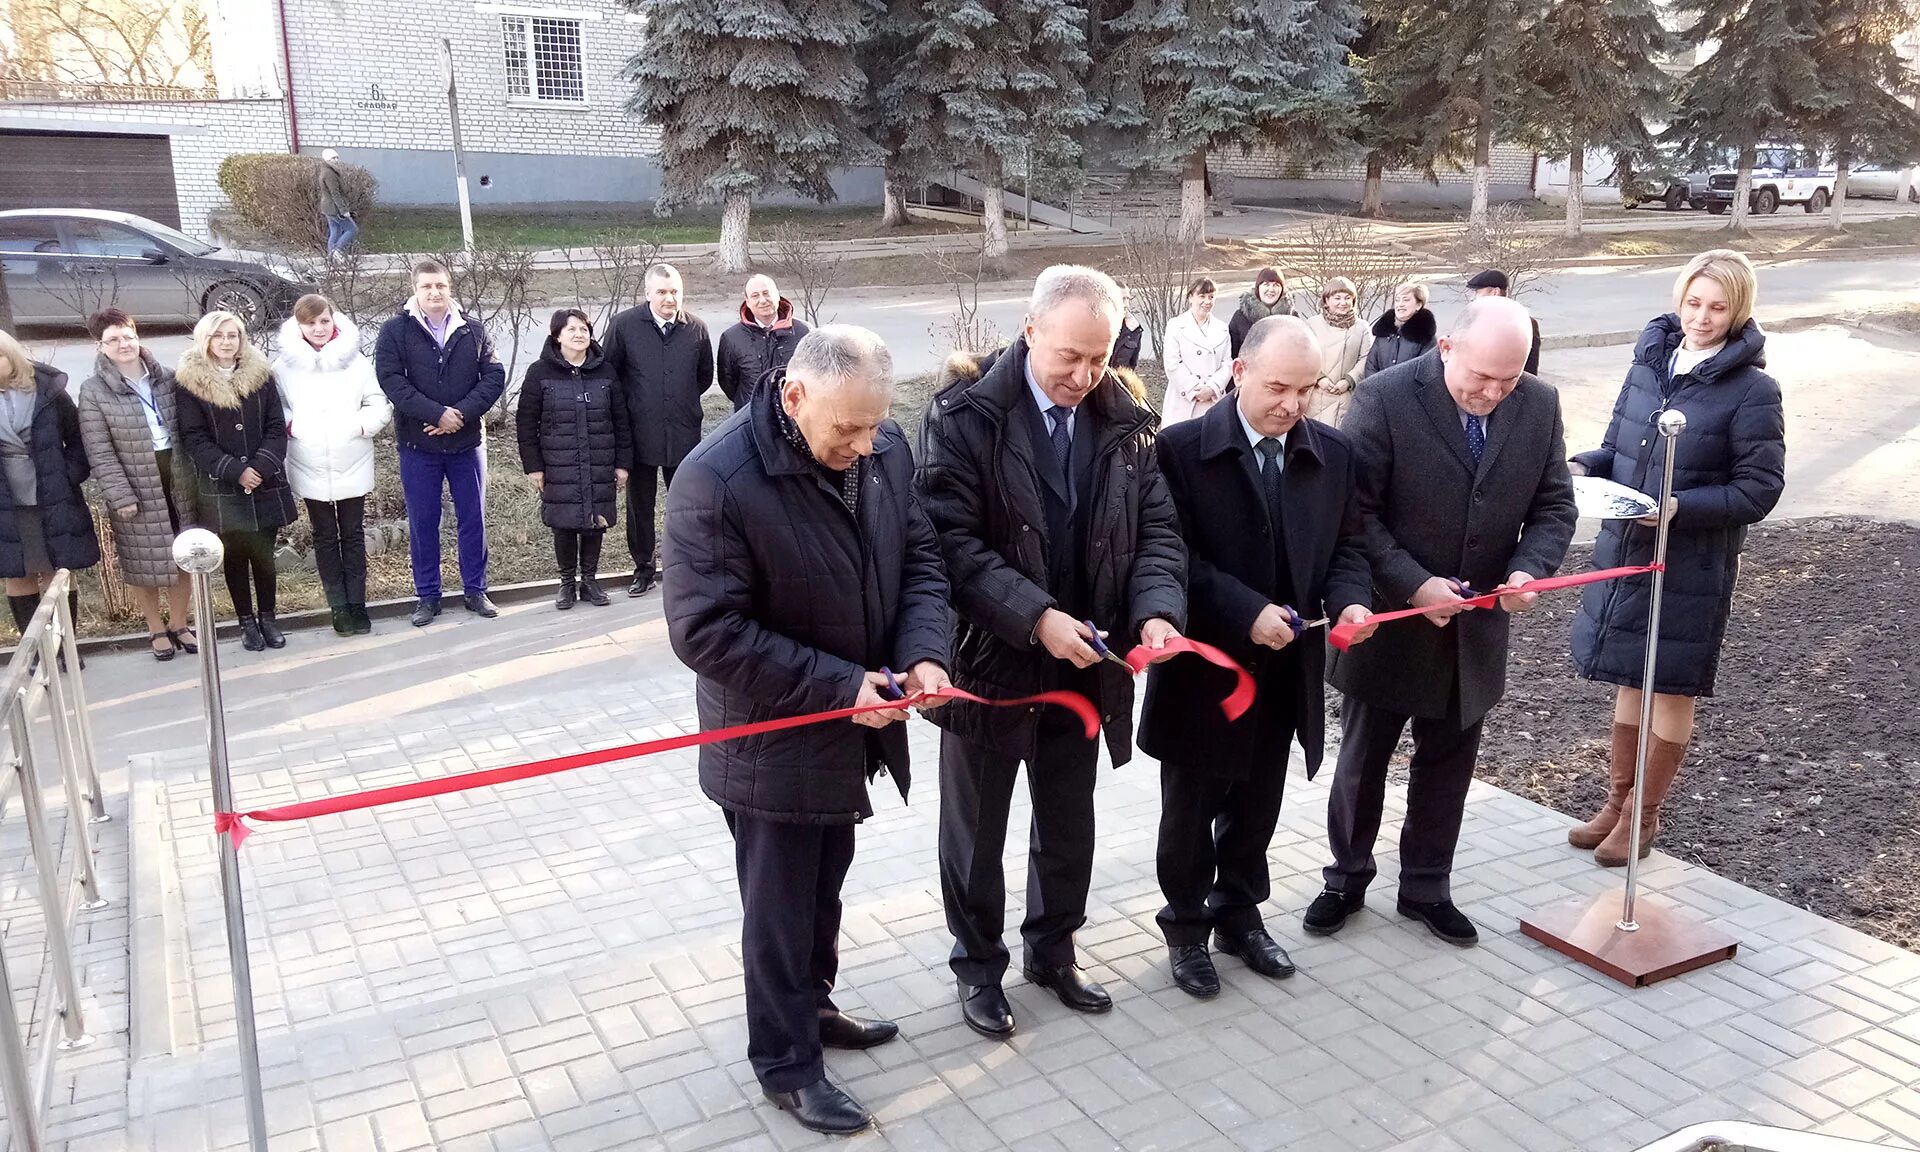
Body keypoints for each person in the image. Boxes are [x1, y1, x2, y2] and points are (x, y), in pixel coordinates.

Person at [664, 326, 951, 1137]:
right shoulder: (715, 480)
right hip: (770, 741)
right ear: (794, 396)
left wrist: (923, 654)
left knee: (824, 888)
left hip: (855, 724)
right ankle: (787, 1064)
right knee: (781, 910)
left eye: (874, 427)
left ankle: (813, 1009)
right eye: (846, 431)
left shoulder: (883, 449)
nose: (863, 447)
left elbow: (920, 560)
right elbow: (704, 632)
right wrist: (838, 684)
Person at [917, 264, 1185, 1039]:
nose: (1083, 374)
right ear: (1030, 330)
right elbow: (951, 545)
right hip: (992, 662)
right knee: (976, 834)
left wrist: (1157, 613)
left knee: (1069, 822)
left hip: (1087, 665)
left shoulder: (1126, 418)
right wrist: (1035, 618)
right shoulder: (965, 415)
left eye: (1099, 356)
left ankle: (1054, 949)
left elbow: (1158, 531)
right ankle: (977, 967)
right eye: (1069, 355)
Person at [1308, 297, 1577, 946]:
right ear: (1448, 349)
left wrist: (1527, 569)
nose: (1493, 393)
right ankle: (1345, 876)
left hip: (1475, 630)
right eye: (1481, 377)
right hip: (1392, 622)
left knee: (1449, 765)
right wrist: (1416, 583)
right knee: (1363, 763)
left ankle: (1427, 885)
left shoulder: (1537, 404)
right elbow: (1357, 516)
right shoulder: (1385, 397)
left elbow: (1553, 507)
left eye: (1507, 380)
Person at [1140, 315, 1378, 999]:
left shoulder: (1332, 453)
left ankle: (1239, 914)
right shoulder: (1180, 450)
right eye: (1279, 387)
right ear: (1239, 373)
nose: (1294, 405)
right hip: (1206, 674)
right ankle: (1185, 927)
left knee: (1258, 805)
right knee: (1189, 813)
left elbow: (1348, 548)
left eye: (1305, 391)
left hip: (1286, 671)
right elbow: (1170, 556)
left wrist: (1353, 600)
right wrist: (1246, 612)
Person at [1566, 250, 1784, 865]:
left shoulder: (1752, 390)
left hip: (1690, 565)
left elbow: (1759, 489)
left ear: (1738, 310)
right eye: (1693, 302)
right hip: (1631, 549)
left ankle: (1645, 817)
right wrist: (1584, 467)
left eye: (1717, 307)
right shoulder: (1649, 365)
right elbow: (1617, 446)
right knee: (1630, 683)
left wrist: (1678, 507)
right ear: (1679, 297)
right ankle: (1615, 803)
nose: (1702, 318)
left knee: (1669, 689)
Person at [375, 259, 506, 627]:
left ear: (450, 289)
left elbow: (493, 377)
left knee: (473, 519)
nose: (434, 293)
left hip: (467, 442)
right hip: (419, 445)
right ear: (415, 290)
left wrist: (459, 415)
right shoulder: (395, 331)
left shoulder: (473, 331)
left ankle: (476, 589)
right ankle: (427, 595)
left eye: (441, 286)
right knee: (423, 521)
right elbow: (391, 381)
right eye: (427, 287)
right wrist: (435, 414)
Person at [174, 311, 299, 653]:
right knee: (234, 557)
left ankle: (268, 618)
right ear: (206, 341)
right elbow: (194, 437)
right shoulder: (189, 383)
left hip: (265, 479)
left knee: (263, 555)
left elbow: (276, 426)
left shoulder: (262, 375)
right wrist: (234, 470)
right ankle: (246, 621)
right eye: (219, 336)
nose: (227, 342)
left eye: (233, 335)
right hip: (222, 485)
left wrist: (261, 466)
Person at [78, 309, 198, 661]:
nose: (123, 344)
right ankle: (155, 629)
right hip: (134, 482)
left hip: (176, 476)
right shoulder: (94, 391)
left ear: (137, 336)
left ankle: (179, 623)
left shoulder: (168, 379)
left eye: (127, 336)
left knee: (183, 556)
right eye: (113, 339)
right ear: (100, 346)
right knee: (140, 562)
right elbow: (98, 449)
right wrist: (119, 495)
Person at [274, 294, 391, 636]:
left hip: (351, 457)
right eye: (310, 323)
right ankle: (337, 607)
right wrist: (293, 427)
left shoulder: (355, 362)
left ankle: (358, 605)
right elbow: (275, 408)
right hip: (308, 461)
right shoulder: (283, 367)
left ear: (333, 320)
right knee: (324, 536)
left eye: (324, 321)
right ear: (299, 326)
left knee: (353, 535)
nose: (319, 328)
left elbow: (377, 402)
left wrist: (359, 426)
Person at [604, 262, 714, 596]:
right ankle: (644, 568)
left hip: (683, 433)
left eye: (675, 292)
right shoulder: (623, 326)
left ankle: (687, 568)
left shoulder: (696, 329)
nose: (669, 298)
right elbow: (611, 374)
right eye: (662, 292)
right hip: (639, 433)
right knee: (640, 506)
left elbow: (704, 377)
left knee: (686, 505)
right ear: (648, 293)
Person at [517, 309, 631, 610]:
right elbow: (527, 424)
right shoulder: (540, 372)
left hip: (599, 458)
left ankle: (590, 581)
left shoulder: (605, 371)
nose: (579, 334)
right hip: (559, 462)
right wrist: (534, 467)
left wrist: (622, 463)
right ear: (557, 336)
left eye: (584, 328)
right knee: (563, 523)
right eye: (572, 330)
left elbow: (621, 420)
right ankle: (567, 583)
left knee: (596, 521)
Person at [0, 332, 98, 649]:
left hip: (52, 492)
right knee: (18, 572)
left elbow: (79, 439)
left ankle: (65, 648)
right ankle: (36, 652)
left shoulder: (47, 388)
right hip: (7, 501)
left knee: (60, 570)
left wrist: (67, 475)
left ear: (12, 357)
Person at [716, 274, 809, 410]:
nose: (763, 300)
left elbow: (812, 374)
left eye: (767, 293)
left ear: (777, 296)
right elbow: (728, 382)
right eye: (755, 296)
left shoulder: (803, 332)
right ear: (747, 302)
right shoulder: (731, 338)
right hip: (750, 415)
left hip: (794, 413)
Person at [1161, 276, 1233, 426]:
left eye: (1211, 297)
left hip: (1213, 401)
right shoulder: (1176, 326)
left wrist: (1212, 388)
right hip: (1183, 402)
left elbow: (1227, 363)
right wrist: (1195, 390)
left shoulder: (1222, 328)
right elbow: (1172, 363)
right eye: (1202, 296)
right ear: (1191, 297)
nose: (1207, 301)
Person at [1303, 276, 1370, 426]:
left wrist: (1349, 380)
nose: (1343, 302)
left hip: (1346, 397)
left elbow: (1366, 357)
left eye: (1347, 298)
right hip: (1315, 396)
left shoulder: (1361, 327)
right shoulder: (1312, 324)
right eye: (1337, 297)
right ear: (1326, 300)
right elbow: (1303, 354)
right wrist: (1319, 378)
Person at [1466, 269, 1541, 375]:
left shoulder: (1524, 323)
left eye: (1478, 292)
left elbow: (1529, 371)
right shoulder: (1473, 321)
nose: (1473, 298)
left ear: (1494, 292)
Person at [1362, 282, 1437, 378]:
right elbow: (1371, 366)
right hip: (1379, 391)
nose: (1400, 304)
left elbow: (1426, 373)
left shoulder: (1424, 336)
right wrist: (1376, 389)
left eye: (1406, 300)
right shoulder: (1383, 333)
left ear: (1418, 305)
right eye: (1397, 300)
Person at [1227, 267, 1292, 358]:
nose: (1271, 289)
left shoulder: (1292, 317)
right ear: (1258, 287)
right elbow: (1232, 355)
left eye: (1276, 285)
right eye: (1266, 284)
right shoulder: (1240, 317)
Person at [318, 148, 358, 256]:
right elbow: (335, 194)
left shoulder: (326, 171)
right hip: (334, 208)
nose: (336, 160)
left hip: (327, 208)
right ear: (327, 159)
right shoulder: (330, 174)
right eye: (333, 158)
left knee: (335, 231)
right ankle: (337, 251)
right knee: (352, 229)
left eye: (337, 157)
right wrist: (344, 211)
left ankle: (331, 257)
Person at [1109, 291, 1145, 370]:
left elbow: (1132, 367)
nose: (1126, 304)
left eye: (1128, 299)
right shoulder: (1097, 327)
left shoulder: (1134, 329)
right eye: (1122, 299)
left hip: (1119, 381)